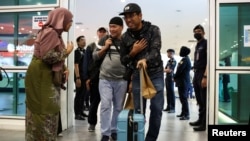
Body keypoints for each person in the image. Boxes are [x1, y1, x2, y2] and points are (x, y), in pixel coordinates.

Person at [25, 7, 74, 140]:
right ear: (61, 20)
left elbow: (53, 56)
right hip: (41, 77)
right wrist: (67, 51)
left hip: (42, 75)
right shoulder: (50, 32)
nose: (71, 23)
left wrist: (64, 68)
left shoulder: (53, 33)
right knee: (44, 111)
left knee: (46, 110)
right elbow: (48, 56)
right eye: (70, 20)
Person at [119, 3, 164, 141]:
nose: (128, 20)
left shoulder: (153, 30)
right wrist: (133, 52)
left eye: (131, 16)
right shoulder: (125, 37)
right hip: (138, 76)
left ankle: (150, 139)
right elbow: (123, 60)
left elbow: (156, 50)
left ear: (140, 15)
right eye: (126, 17)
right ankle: (138, 137)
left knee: (156, 109)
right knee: (139, 111)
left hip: (155, 74)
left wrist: (145, 59)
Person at [93, 17, 127, 141]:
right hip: (105, 78)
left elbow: (131, 59)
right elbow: (95, 57)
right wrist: (105, 47)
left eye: (114, 26)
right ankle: (105, 133)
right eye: (110, 26)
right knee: (106, 105)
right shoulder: (104, 39)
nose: (111, 29)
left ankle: (114, 130)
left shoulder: (127, 40)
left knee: (118, 107)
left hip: (122, 80)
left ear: (121, 27)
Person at [84, 27, 108, 132]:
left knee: (107, 104)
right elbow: (86, 63)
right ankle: (92, 123)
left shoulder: (110, 45)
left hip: (107, 77)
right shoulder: (91, 46)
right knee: (94, 102)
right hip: (94, 78)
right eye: (100, 32)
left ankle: (106, 125)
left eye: (104, 32)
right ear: (97, 33)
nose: (102, 33)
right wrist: (87, 78)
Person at [189, 24, 207, 131]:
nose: (197, 33)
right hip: (196, 73)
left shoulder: (206, 43)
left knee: (204, 99)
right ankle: (200, 120)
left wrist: (205, 76)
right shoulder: (197, 45)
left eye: (199, 31)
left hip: (202, 73)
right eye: (195, 31)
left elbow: (209, 61)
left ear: (203, 33)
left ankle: (204, 123)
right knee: (199, 100)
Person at [174, 46, 191, 120]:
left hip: (183, 81)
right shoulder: (185, 59)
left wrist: (174, 76)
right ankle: (183, 112)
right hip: (182, 81)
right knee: (182, 98)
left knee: (184, 98)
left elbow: (179, 70)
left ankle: (186, 114)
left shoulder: (185, 60)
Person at [74, 35, 88, 120]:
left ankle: (81, 111)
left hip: (84, 76)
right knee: (78, 95)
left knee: (83, 95)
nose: (84, 41)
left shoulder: (85, 51)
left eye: (84, 40)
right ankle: (77, 113)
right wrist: (78, 77)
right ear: (78, 42)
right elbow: (76, 65)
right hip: (79, 76)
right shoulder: (77, 52)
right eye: (82, 40)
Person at [163, 49, 177, 113]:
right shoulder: (169, 61)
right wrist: (165, 70)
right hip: (167, 78)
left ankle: (172, 108)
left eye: (168, 53)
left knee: (171, 93)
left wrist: (165, 70)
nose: (167, 54)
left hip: (171, 78)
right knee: (168, 93)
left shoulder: (174, 61)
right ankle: (168, 106)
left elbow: (169, 70)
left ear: (172, 53)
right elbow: (165, 69)